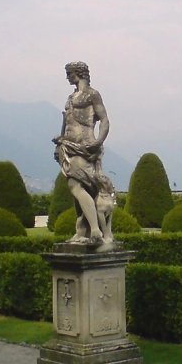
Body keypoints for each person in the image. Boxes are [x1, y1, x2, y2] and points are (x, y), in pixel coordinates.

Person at [53, 62, 112, 246]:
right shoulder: (71, 97)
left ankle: (94, 230)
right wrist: (60, 141)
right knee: (79, 190)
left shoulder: (92, 94)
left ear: (78, 73)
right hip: (68, 146)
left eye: (69, 73)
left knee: (77, 187)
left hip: (84, 147)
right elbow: (67, 123)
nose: (67, 77)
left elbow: (104, 120)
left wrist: (99, 141)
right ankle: (82, 231)